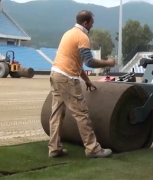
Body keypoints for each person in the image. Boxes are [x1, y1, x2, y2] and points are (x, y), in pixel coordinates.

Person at [48, 10, 115, 158]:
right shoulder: (82, 37)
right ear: (86, 23)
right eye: (92, 22)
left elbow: (76, 63)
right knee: (81, 114)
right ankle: (93, 149)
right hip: (67, 78)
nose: (93, 25)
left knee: (57, 114)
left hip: (55, 74)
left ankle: (54, 148)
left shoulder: (69, 33)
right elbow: (89, 61)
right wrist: (108, 62)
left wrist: (87, 81)